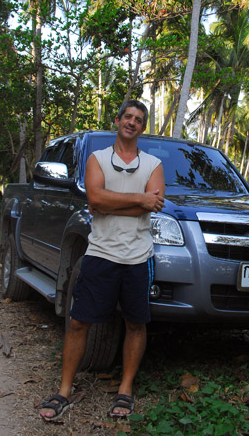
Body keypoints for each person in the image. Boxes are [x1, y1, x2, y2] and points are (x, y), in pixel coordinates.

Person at [39, 100, 165, 421]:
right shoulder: (97, 159)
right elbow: (95, 198)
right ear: (118, 120)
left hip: (138, 258)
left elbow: (153, 205)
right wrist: (139, 198)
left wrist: (113, 202)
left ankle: (125, 389)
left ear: (143, 126)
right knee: (79, 321)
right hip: (100, 254)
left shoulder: (153, 164)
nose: (132, 123)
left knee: (135, 324)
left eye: (139, 119)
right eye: (128, 117)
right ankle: (64, 390)